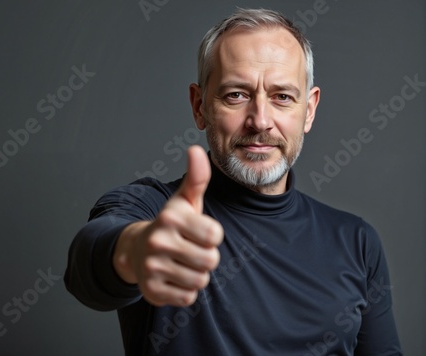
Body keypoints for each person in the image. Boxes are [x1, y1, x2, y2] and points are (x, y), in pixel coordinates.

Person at [65, 8, 402, 355]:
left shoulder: (357, 242)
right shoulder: (155, 212)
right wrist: (136, 251)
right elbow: (88, 265)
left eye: (282, 97)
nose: (260, 121)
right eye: (236, 95)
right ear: (199, 106)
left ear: (310, 110)